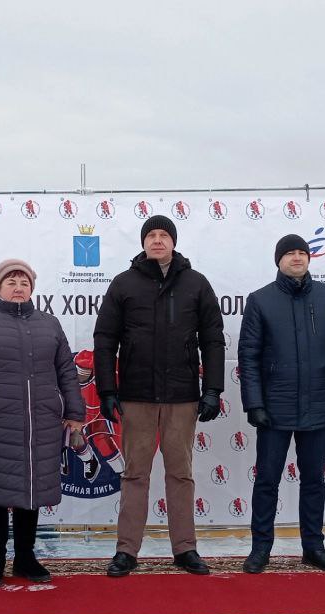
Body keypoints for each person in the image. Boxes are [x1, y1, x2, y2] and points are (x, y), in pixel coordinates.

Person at [93, 214, 225, 577]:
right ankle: (126, 551)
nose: (157, 240)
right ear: (143, 242)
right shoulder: (124, 284)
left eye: (163, 234)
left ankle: (185, 549)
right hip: (136, 395)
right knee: (135, 473)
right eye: (150, 234)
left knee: (180, 474)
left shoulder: (196, 284)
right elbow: (105, 339)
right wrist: (107, 389)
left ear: (173, 241)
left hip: (182, 396)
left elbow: (213, 338)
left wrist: (212, 388)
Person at [0, 259, 86, 587]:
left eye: (24, 283)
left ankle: (25, 558)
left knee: (32, 490)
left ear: (32, 288)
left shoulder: (49, 324)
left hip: (42, 421)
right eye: (11, 282)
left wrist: (74, 413)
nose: (18, 287)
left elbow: (66, 372)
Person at [239, 235, 325, 574]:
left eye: (302, 252)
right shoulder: (261, 300)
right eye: (289, 253)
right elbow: (249, 357)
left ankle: (313, 547)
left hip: (319, 405)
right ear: (278, 260)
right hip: (274, 408)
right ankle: (261, 548)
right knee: (267, 481)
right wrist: (254, 404)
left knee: (314, 480)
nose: (297, 258)